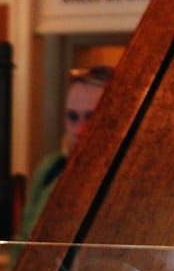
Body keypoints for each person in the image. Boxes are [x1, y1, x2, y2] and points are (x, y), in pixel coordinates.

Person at [15, 66, 114, 252]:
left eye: (91, 117)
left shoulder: (128, 177)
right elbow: (23, 243)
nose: (79, 129)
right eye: (72, 117)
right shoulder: (51, 168)